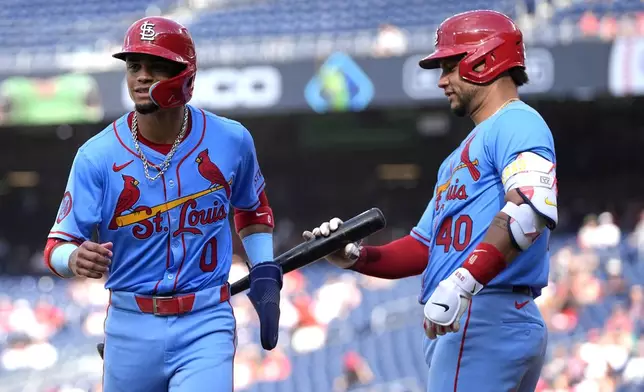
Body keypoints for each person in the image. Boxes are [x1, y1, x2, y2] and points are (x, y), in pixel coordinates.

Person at [303, 10, 557, 392]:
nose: (441, 81)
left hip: (482, 310)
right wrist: (355, 256)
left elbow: (528, 211)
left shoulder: (517, 121)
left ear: (484, 61)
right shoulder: (456, 157)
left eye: (450, 66)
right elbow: (424, 247)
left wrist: (463, 281)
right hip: (487, 312)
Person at [43, 16, 283, 392]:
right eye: (134, 66)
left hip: (206, 318)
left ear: (185, 75)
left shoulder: (232, 140)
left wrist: (265, 268)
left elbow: (252, 210)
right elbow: (56, 246)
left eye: (156, 67)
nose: (141, 77)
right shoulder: (96, 156)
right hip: (129, 323)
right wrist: (72, 259)